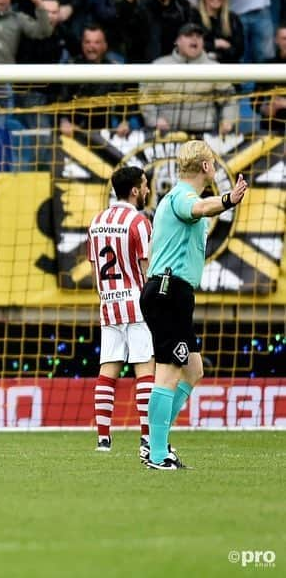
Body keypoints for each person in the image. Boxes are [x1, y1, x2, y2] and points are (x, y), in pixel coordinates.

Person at [140, 140, 247, 469]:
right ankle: (157, 453)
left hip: (171, 291)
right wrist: (229, 199)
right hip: (169, 291)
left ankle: (154, 441)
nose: (214, 169)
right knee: (169, 373)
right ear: (205, 167)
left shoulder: (176, 197)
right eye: (213, 163)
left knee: (193, 369)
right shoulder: (183, 198)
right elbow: (199, 209)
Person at [86, 166, 155, 456]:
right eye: (145, 185)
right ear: (136, 190)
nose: (149, 190)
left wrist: (106, 297)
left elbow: (93, 270)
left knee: (108, 370)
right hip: (137, 305)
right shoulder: (139, 222)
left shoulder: (96, 221)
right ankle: (148, 438)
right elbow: (146, 268)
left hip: (109, 305)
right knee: (145, 370)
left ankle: (103, 439)